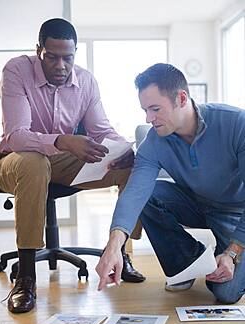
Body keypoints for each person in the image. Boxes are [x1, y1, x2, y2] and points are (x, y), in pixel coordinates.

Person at [0, 18, 145, 314]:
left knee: (133, 166)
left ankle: (121, 253)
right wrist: (64, 141)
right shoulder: (16, 70)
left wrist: (125, 149)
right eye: (52, 57)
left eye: (68, 57)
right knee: (33, 161)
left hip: (62, 161)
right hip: (14, 161)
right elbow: (17, 137)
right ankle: (26, 275)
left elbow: (102, 130)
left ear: (76, 53)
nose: (61, 66)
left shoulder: (86, 81)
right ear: (38, 50)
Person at [96, 62, 245, 304]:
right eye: (145, 110)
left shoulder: (236, 123)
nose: (148, 118)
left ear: (182, 98)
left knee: (225, 293)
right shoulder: (154, 142)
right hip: (196, 203)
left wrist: (231, 252)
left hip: (236, 213)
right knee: (149, 195)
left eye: (155, 109)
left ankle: (225, 254)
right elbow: (135, 193)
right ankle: (187, 263)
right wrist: (113, 245)